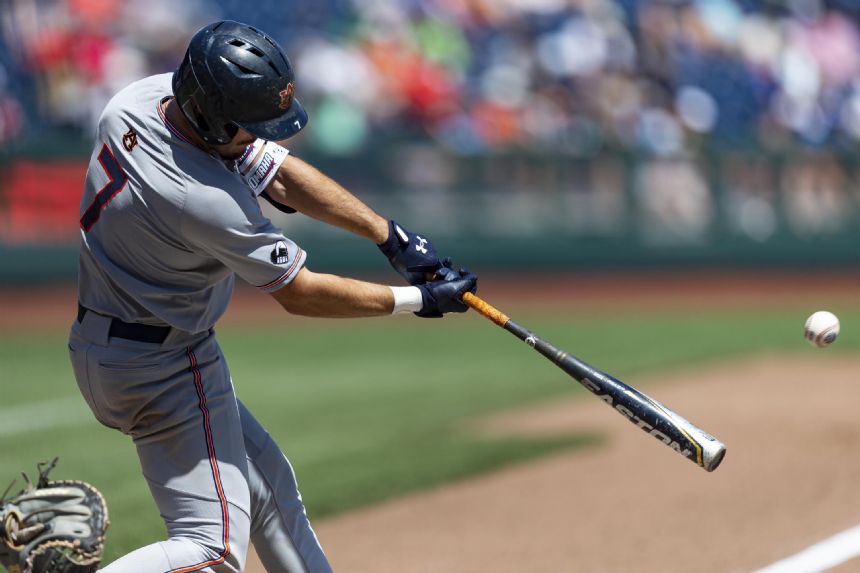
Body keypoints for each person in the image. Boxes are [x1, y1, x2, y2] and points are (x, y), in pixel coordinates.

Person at [68, 20, 477, 573]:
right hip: (160, 363)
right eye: (250, 125)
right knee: (210, 549)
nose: (267, 135)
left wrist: (390, 236)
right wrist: (417, 301)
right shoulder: (202, 199)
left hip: (123, 345)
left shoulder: (140, 101)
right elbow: (302, 293)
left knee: (268, 490)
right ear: (213, 118)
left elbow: (277, 174)